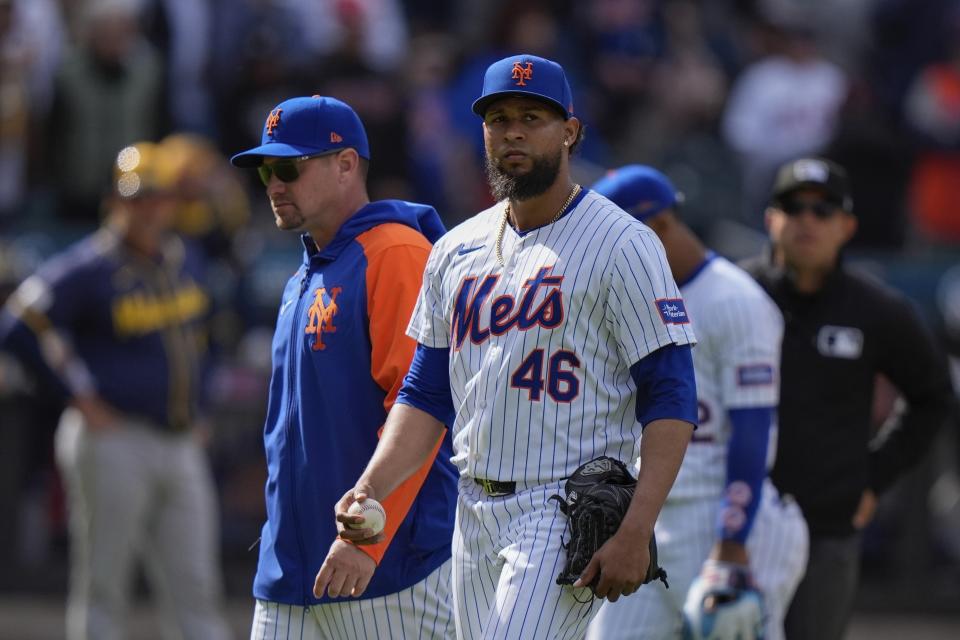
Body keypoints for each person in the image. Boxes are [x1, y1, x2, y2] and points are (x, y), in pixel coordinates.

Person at [321, 53, 699, 639]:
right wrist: (370, 487)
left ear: (570, 131)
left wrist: (637, 526)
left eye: (533, 117)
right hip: (471, 511)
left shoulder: (622, 242)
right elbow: (425, 394)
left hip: (565, 506)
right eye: (498, 118)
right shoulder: (457, 249)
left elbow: (671, 393)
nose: (513, 131)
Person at [229, 95, 458, 638]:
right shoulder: (302, 276)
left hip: (387, 572)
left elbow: (422, 408)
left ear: (346, 164)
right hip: (290, 577)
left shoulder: (396, 252)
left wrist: (365, 538)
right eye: (266, 170)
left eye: (289, 167)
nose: (273, 184)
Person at [0, 139, 232, 640]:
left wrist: (203, 404)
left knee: (196, 585)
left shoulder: (183, 258)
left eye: (158, 196)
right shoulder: (90, 266)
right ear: (115, 203)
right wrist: (76, 395)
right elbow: (19, 323)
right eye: (136, 198)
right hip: (113, 439)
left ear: (173, 202)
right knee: (105, 585)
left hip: (180, 439)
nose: (148, 209)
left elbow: (208, 336)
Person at [586, 165, 808, 640]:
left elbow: (752, 433)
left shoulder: (734, 299)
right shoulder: (625, 299)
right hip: (648, 518)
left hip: (719, 515)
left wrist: (732, 540)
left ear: (659, 226)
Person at [741, 157, 954, 640]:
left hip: (826, 528)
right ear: (770, 218)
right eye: (794, 207)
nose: (807, 221)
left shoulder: (877, 309)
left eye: (824, 209)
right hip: (733, 525)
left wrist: (874, 480)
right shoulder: (734, 295)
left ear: (847, 225)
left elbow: (932, 395)